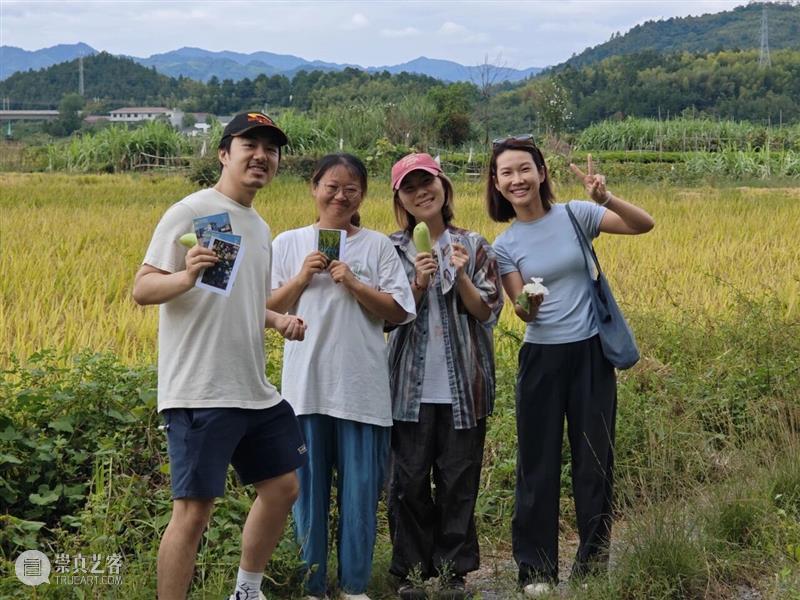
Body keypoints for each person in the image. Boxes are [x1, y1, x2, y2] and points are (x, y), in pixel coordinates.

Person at [133, 112, 308, 600]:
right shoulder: (191, 210)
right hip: (202, 388)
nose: (261, 155)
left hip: (252, 388)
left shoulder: (257, 225)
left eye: (270, 149)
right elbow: (143, 288)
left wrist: (277, 320)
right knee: (193, 512)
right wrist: (185, 277)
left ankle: (245, 591)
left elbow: (240, 301)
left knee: (283, 487)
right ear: (224, 153)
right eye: (249, 144)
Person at [487, 136, 654, 597]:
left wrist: (606, 197)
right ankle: (536, 571)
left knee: (594, 462)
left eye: (525, 169)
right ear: (497, 185)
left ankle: (593, 565)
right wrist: (528, 304)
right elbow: (521, 310)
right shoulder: (504, 246)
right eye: (507, 173)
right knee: (536, 465)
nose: (517, 179)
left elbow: (644, 224)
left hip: (590, 355)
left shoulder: (577, 215)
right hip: (541, 357)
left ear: (541, 173)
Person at [267, 153, 416, 600]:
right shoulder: (288, 243)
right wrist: (302, 277)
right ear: (314, 188)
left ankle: (354, 587)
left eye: (351, 189)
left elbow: (399, 310)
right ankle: (312, 587)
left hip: (362, 390)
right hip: (305, 392)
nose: (340, 195)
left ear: (362, 196)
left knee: (361, 494)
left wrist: (352, 282)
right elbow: (267, 306)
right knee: (305, 495)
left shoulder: (377, 246)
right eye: (331, 186)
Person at [385, 154, 503, 600]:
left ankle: (454, 574)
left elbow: (487, 311)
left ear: (444, 188)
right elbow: (383, 319)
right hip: (407, 392)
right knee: (408, 482)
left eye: (427, 183)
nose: (421, 192)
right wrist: (415, 284)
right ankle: (413, 574)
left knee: (459, 481)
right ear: (400, 198)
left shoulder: (473, 245)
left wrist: (458, 275)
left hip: (465, 388)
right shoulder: (391, 249)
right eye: (410, 187)